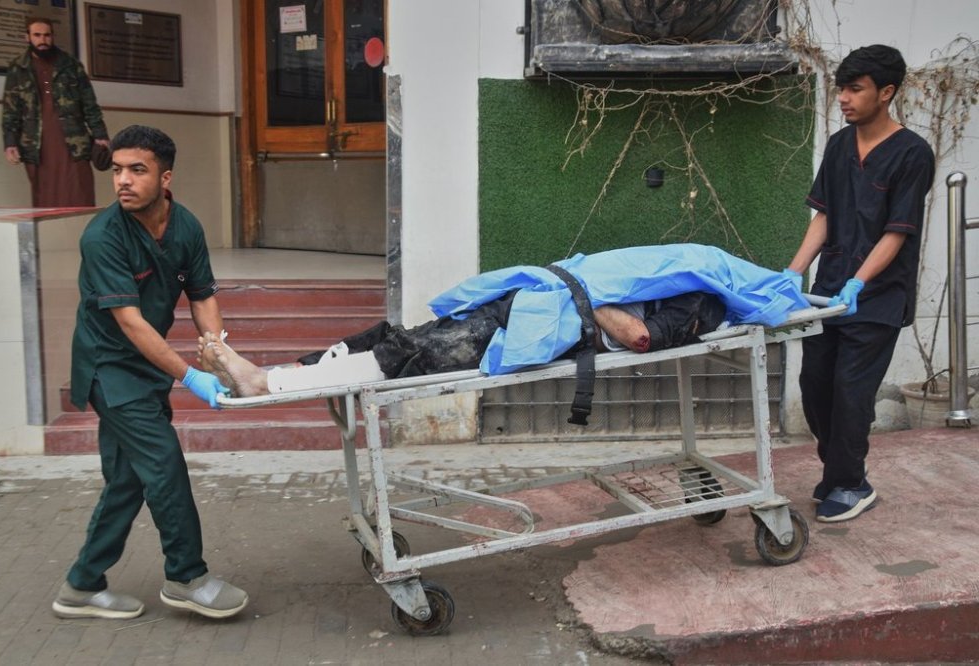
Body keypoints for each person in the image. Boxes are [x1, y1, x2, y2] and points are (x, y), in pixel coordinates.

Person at [52, 125, 247, 621]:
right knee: (163, 465)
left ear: (165, 177)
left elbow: (202, 296)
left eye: (137, 170)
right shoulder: (103, 236)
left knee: (127, 480)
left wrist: (217, 352)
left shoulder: (186, 227)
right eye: (117, 170)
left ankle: (81, 585)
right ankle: (186, 576)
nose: (123, 180)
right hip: (109, 368)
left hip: (145, 366)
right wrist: (191, 376)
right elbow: (132, 324)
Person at [198, 243, 809, 399]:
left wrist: (589, 295)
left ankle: (267, 383)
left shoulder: (701, 305)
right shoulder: (685, 272)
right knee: (396, 337)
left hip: (541, 325)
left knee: (410, 356)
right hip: (528, 302)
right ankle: (284, 372)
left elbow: (640, 337)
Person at [784, 45, 935, 524]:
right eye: (841, 89)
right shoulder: (838, 146)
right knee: (815, 385)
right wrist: (793, 272)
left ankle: (850, 483)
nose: (844, 98)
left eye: (855, 89)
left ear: (886, 92)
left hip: (878, 297)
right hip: (827, 291)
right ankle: (840, 473)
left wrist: (858, 282)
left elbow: (897, 232)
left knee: (851, 391)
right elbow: (824, 215)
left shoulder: (912, 153)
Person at [1, 16, 109, 207]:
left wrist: (100, 135)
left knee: (80, 194)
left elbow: (89, 103)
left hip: (73, 141)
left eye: (47, 35)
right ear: (27, 37)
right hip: (35, 145)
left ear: (53, 36)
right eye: (37, 35)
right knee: (44, 200)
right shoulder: (18, 68)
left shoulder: (71, 65)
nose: (43, 40)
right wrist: (10, 142)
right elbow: (11, 110)